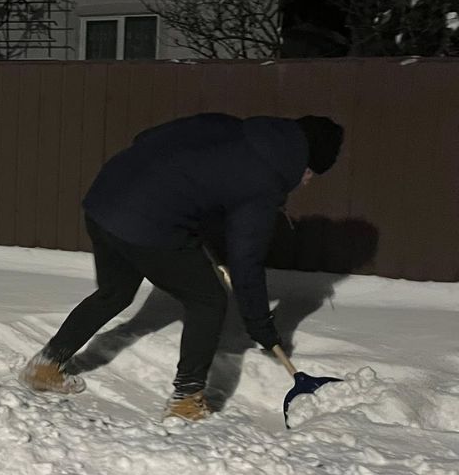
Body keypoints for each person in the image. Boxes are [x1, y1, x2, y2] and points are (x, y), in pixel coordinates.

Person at [18, 113, 345, 421]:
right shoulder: (264, 182)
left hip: (105, 198)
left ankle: (46, 365)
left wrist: (186, 198)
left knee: (114, 292)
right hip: (148, 222)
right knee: (208, 300)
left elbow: (147, 137)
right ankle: (186, 400)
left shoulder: (227, 125)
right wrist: (262, 328)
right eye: (311, 174)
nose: (306, 182)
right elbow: (246, 262)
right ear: (304, 163)